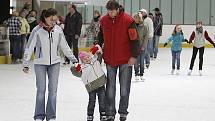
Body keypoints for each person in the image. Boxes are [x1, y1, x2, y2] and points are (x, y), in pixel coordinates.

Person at [22, 8, 77, 121]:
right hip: (40, 63)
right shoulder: (37, 30)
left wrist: (73, 59)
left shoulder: (58, 30)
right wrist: (25, 63)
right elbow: (29, 47)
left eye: (55, 19)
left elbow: (64, 46)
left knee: (53, 91)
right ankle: (39, 116)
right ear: (45, 18)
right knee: (41, 90)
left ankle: (51, 116)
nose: (53, 21)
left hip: (55, 64)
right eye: (51, 19)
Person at [98, 1, 139, 121]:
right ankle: (110, 113)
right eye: (108, 11)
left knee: (124, 88)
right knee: (110, 88)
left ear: (117, 9)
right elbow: (100, 36)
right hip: (110, 60)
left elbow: (135, 40)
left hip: (125, 60)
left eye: (112, 11)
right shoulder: (104, 20)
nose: (110, 13)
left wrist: (134, 56)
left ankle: (123, 112)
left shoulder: (128, 20)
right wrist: (97, 45)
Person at [73, 45, 107, 121]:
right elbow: (76, 71)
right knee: (92, 101)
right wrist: (77, 66)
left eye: (87, 57)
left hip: (100, 84)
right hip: (91, 86)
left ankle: (103, 114)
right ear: (82, 61)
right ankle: (90, 115)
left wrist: (95, 48)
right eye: (84, 59)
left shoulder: (94, 60)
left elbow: (97, 49)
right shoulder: (82, 67)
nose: (87, 59)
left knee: (102, 100)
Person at [133, 13, 149, 80]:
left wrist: (144, 46)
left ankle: (141, 74)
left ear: (140, 18)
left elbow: (146, 37)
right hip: (134, 47)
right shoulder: (132, 26)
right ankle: (136, 74)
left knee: (142, 61)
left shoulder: (144, 26)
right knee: (136, 62)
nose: (135, 19)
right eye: (134, 18)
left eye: (136, 18)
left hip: (142, 47)